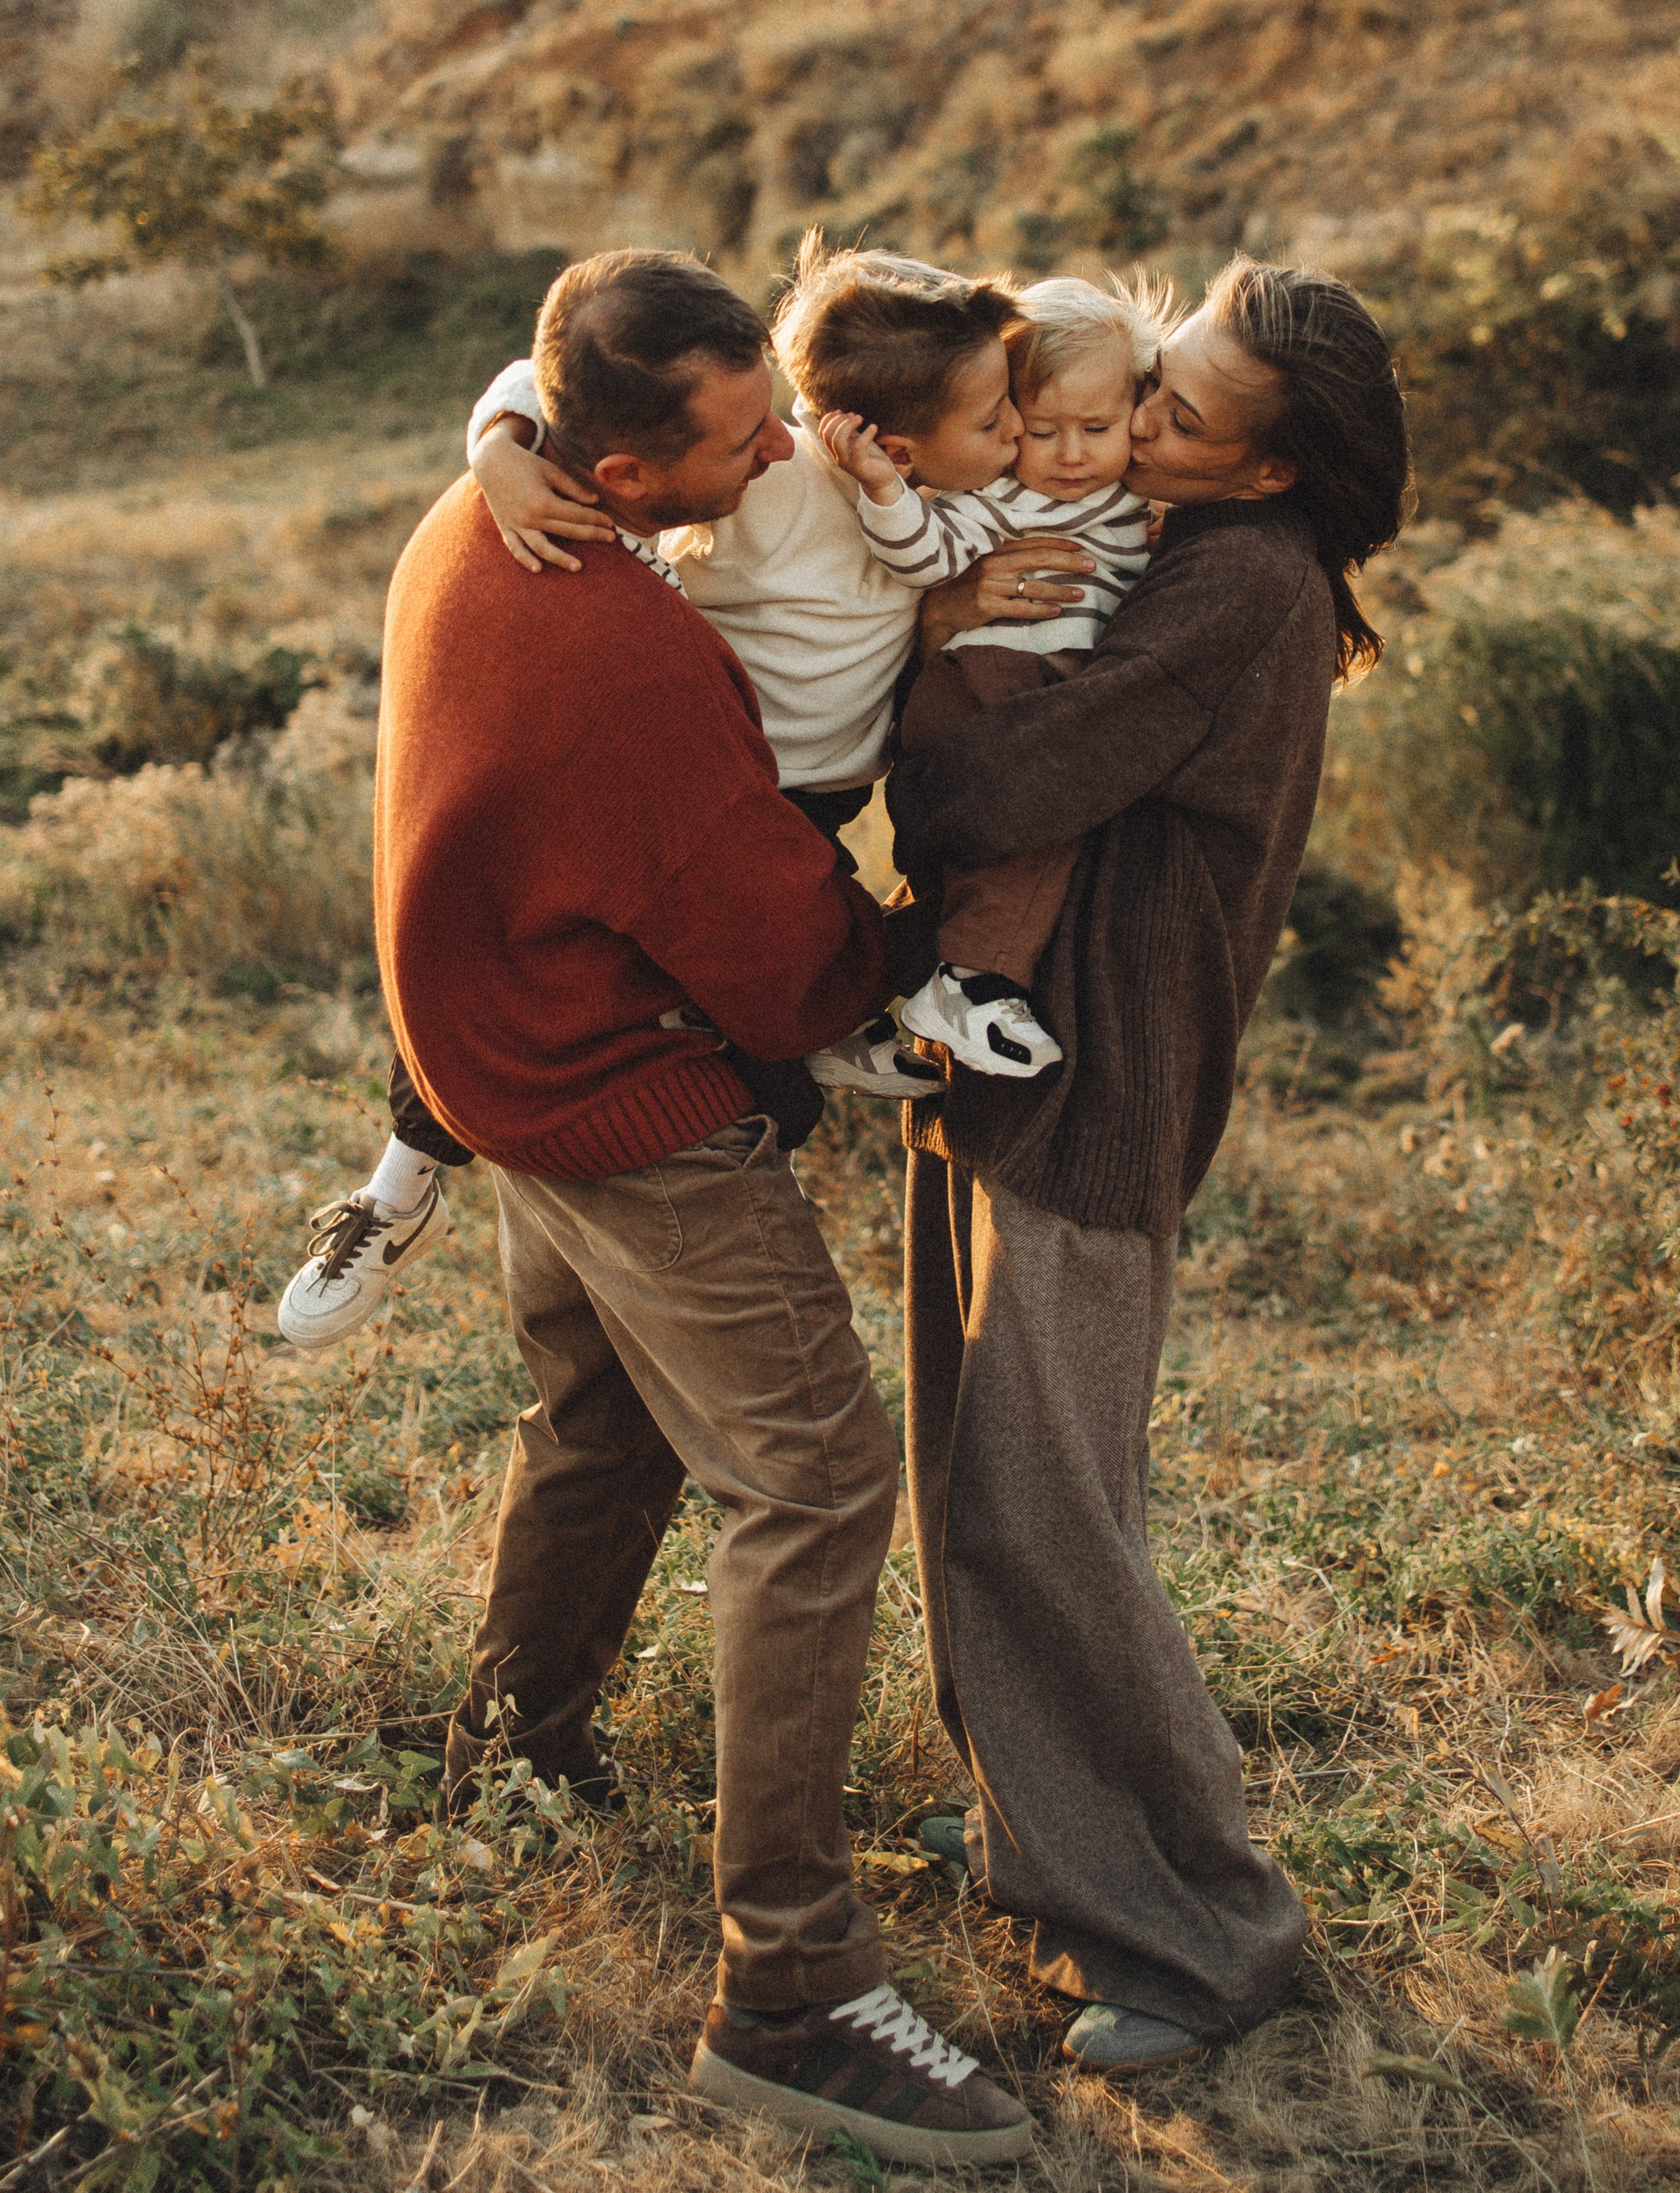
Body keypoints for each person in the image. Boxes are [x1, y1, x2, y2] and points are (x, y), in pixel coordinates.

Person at [370, 247, 1030, 2166]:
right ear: (631, 467)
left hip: (495, 1043)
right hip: (614, 1093)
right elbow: (772, 945)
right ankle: (791, 1986)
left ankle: (515, 1744)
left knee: (599, 1417)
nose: (777, 462)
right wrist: (912, 963)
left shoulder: (472, 514)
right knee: (815, 1474)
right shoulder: (636, 655)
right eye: (741, 444)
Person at [886, 258, 1411, 2080]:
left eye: (1175, 414)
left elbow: (976, 798)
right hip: (1007, 1056)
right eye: (1153, 380)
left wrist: (928, 709)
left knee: (1042, 1506)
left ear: (1260, 471)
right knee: (971, 1469)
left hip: (1091, 1079)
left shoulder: (1237, 585)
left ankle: (1200, 1934)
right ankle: (1042, 1833)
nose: (1126, 424)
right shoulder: (1156, 534)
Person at [277, 233, 1089, 1353]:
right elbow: (547, 376)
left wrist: (960, 613)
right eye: (998, 424)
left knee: (754, 990)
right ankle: (402, 1178)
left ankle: (819, 1043)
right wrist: (499, 451)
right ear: (895, 439)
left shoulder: (973, 513)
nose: (1019, 444)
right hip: (713, 774)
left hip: (819, 796)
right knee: (552, 945)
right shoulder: (785, 479)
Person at [819, 274, 1167, 1077]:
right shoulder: (1002, 496)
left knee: (999, 849)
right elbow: (924, 553)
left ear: (1133, 414)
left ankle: (884, 975)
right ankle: (971, 980)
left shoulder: (1131, 496)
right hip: (990, 674)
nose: (1071, 454)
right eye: (1040, 430)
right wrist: (882, 489)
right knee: (1045, 810)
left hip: (1042, 679)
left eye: (1097, 426)